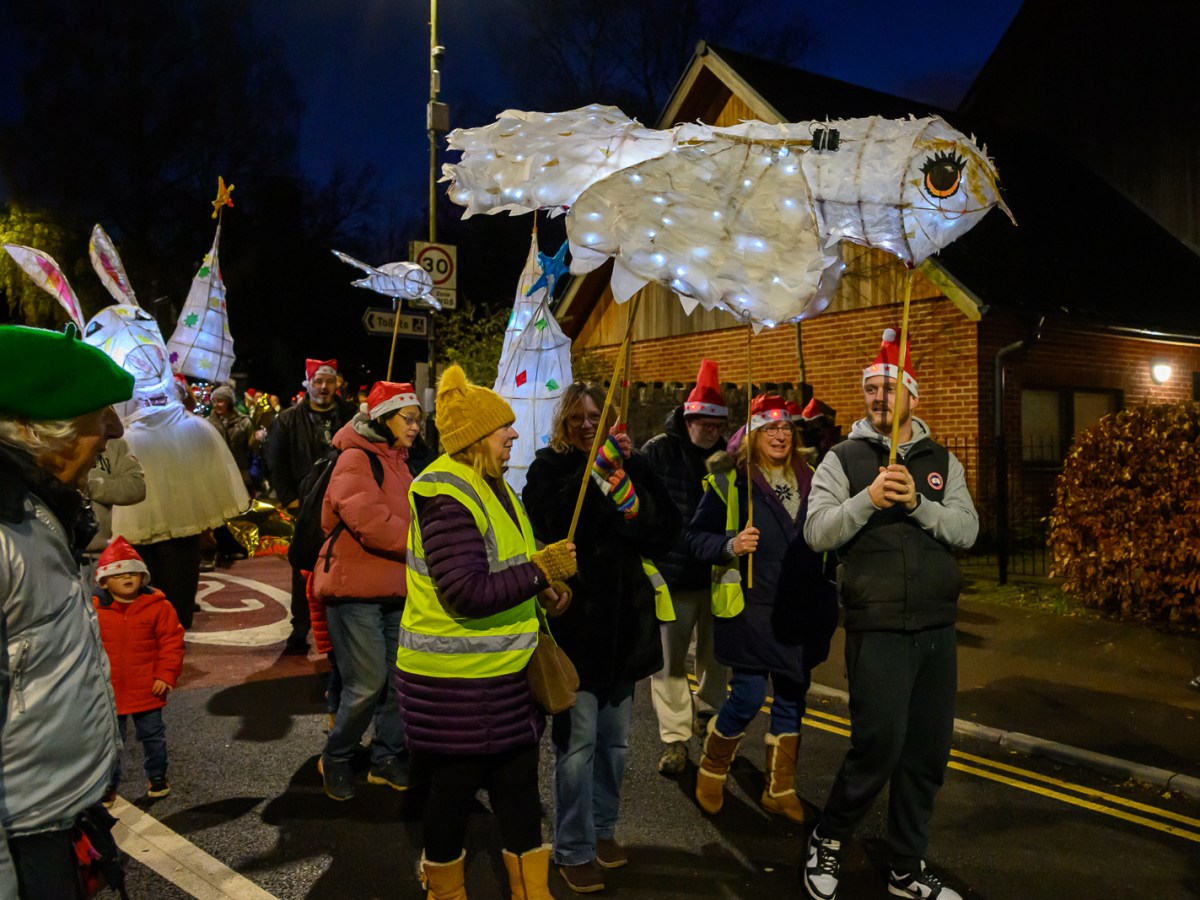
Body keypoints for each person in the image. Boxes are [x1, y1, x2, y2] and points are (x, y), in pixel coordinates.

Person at [802, 329, 978, 900]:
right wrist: (869, 500)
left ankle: (906, 866)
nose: (879, 397)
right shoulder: (842, 458)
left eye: (889, 388)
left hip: (936, 627)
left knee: (926, 754)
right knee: (878, 745)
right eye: (871, 389)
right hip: (876, 625)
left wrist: (919, 505)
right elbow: (816, 531)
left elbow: (968, 530)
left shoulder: (941, 461)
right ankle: (830, 837)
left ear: (912, 397)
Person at [396, 364, 576, 900]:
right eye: (504, 427)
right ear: (476, 437)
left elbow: (505, 563)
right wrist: (541, 571)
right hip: (455, 683)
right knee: (451, 794)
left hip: (503, 676)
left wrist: (544, 591)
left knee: (519, 792)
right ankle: (445, 890)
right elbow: (468, 592)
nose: (514, 434)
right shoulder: (446, 494)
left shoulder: (492, 484)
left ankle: (531, 891)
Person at [524, 382, 680, 894]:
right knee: (577, 746)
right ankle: (573, 846)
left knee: (615, 744)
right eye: (578, 418)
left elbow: (664, 529)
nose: (587, 425)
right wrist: (593, 474)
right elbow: (551, 521)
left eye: (596, 417)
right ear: (564, 422)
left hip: (626, 629)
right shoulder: (548, 468)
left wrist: (631, 493)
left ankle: (603, 828)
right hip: (579, 629)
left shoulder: (630, 465)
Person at [0, 323, 131, 898]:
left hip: (49, 816)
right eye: (97, 413)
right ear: (34, 430)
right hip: (23, 840)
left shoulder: (35, 511)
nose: (115, 429)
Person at [685, 395, 837, 822]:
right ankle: (713, 767)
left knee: (792, 696)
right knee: (749, 696)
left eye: (786, 427)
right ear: (752, 435)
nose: (780, 435)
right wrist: (730, 545)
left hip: (800, 609)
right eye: (769, 428)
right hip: (751, 609)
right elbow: (695, 538)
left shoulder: (814, 478)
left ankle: (780, 789)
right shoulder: (732, 481)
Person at [312, 382, 421, 801]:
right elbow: (369, 521)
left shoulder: (399, 461)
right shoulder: (355, 457)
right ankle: (337, 756)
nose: (415, 426)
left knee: (399, 680)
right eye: (407, 418)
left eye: (418, 419)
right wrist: (423, 544)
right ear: (383, 418)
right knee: (367, 682)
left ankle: (386, 758)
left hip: (395, 586)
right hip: (353, 588)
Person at [640, 358, 732, 776]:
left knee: (717, 659)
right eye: (704, 424)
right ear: (688, 418)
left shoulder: (729, 459)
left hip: (717, 575)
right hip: (673, 576)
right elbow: (637, 501)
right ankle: (675, 740)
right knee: (669, 663)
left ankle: (708, 717)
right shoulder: (658, 450)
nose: (710, 431)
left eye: (717, 425)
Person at [266, 359, 357, 653]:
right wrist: (290, 499)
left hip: (344, 503)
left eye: (329, 381)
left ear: (337, 383)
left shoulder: (352, 415)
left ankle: (341, 632)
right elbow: (275, 461)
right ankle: (300, 628)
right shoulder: (287, 420)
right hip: (305, 505)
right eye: (318, 381)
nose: (324, 387)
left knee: (343, 565)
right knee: (304, 567)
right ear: (309, 384)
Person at [93, 536, 185, 802]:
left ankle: (157, 776)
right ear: (104, 581)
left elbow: (172, 642)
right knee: (110, 741)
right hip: (109, 690)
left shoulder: (159, 607)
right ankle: (108, 785)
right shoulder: (94, 610)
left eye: (133, 573)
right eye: (119, 574)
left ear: (143, 577)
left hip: (147, 687)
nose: (127, 577)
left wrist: (165, 675)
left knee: (153, 737)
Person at [82, 435, 146, 585]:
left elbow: (136, 487)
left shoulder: (110, 440)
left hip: (97, 556)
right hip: (51, 554)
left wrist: (89, 487)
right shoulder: (45, 434)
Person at [208, 384, 256, 491]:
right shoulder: (208, 423)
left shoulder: (243, 422)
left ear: (228, 402)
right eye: (214, 401)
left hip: (240, 472)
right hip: (217, 473)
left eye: (220, 401)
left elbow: (252, 448)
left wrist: (256, 438)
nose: (216, 405)